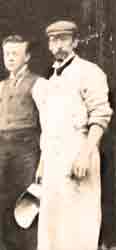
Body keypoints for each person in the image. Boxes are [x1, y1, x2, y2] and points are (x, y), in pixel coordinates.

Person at [32, 20, 113, 250]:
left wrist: (84, 155)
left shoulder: (89, 72)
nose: (58, 45)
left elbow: (100, 116)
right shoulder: (51, 80)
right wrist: (42, 163)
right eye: (53, 40)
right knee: (53, 226)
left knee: (79, 223)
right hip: (53, 158)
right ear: (49, 45)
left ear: (75, 42)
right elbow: (49, 127)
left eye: (64, 39)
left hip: (79, 152)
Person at [0, 34, 40, 250]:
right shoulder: (1, 86)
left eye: (15, 53)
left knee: (26, 202)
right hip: (2, 148)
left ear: (27, 56)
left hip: (26, 148)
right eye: (6, 53)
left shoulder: (38, 83)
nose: (10, 58)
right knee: (3, 202)